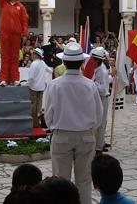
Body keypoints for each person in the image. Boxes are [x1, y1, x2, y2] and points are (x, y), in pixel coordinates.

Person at [44, 42, 103, 204]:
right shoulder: (90, 85)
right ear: (82, 62)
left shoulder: (54, 85)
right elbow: (98, 115)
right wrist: (89, 130)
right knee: (84, 181)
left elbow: (48, 113)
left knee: (60, 182)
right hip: (85, 136)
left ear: (64, 62)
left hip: (61, 135)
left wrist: (54, 127)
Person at [92, 47, 110, 154]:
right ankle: (100, 142)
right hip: (99, 98)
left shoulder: (101, 71)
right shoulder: (99, 69)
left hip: (102, 97)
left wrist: (93, 83)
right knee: (99, 122)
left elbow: (103, 89)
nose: (92, 61)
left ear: (97, 60)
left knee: (101, 122)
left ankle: (99, 146)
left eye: (93, 59)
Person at [28, 48, 52, 119]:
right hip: (41, 86)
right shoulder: (43, 63)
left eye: (33, 54)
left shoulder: (34, 63)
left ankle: (33, 117)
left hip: (33, 86)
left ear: (36, 55)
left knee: (33, 102)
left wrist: (27, 83)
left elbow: (31, 77)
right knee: (39, 102)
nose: (32, 55)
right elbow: (50, 70)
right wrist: (44, 77)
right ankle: (38, 116)